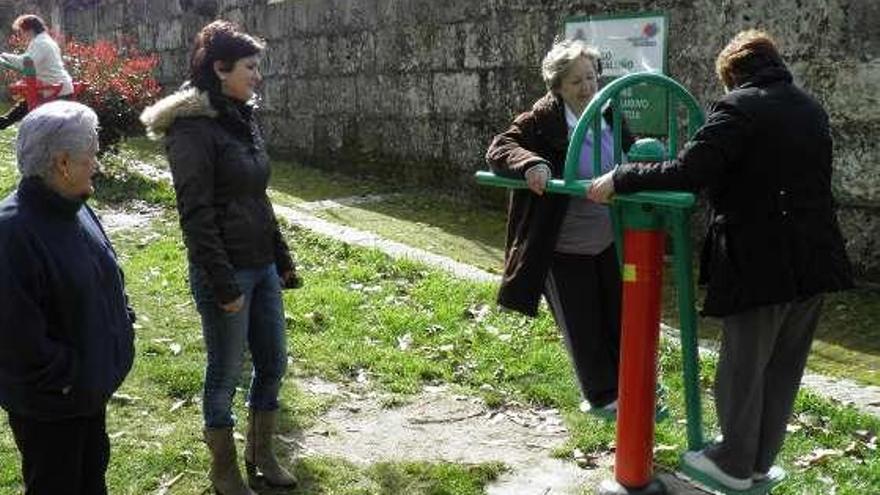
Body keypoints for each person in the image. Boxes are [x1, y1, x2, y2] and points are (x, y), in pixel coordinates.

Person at [589, 30, 853, 490]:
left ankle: (731, 462)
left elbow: (689, 172)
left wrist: (622, 175)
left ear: (731, 75)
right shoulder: (810, 108)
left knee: (743, 368)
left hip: (762, 260)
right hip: (817, 258)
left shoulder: (737, 108)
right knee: (783, 368)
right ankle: (757, 461)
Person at [140, 20, 298, 495]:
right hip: (225, 273)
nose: (257, 76)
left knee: (273, 363)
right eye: (250, 67)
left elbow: (257, 196)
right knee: (225, 373)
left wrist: (281, 257)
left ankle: (262, 453)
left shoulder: (241, 115)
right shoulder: (192, 128)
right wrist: (224, 283)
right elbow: (195, 215)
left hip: (262, 267)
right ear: (220, 68)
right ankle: (224, 469)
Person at [485, 39, 634, 415]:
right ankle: (603, 398)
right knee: (583, 324)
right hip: (563, 244)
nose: (587, 87)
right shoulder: (541, 120)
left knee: (618, 316)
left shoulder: (609, 112)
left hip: (608, 239)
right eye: (575, 82)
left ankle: (630, 387)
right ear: (557, 87)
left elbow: (629, 155)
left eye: (590, 77)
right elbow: (500, 147)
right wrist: (531, 163)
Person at [0, 100, 135, 495]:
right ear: (62, 163)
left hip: (85, 393)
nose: (96, 163)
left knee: (91, 478)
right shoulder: (11, 234)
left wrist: (121, 321)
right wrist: (71, 378)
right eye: (90, 155)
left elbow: (105, 274)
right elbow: (15, 341)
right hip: (53, 407)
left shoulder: (74, 205)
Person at [0, 14, 74, 129]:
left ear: (29, 30)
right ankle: (5, 121)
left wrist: (4, 56)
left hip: (56, 90)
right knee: (27, 102)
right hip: (55, 87)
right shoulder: (44, 40)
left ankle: (5, 121)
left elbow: (26, 63)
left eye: (21, 32)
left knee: (30, 103)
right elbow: (27, 60)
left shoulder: (41, 43)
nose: (21, 36)